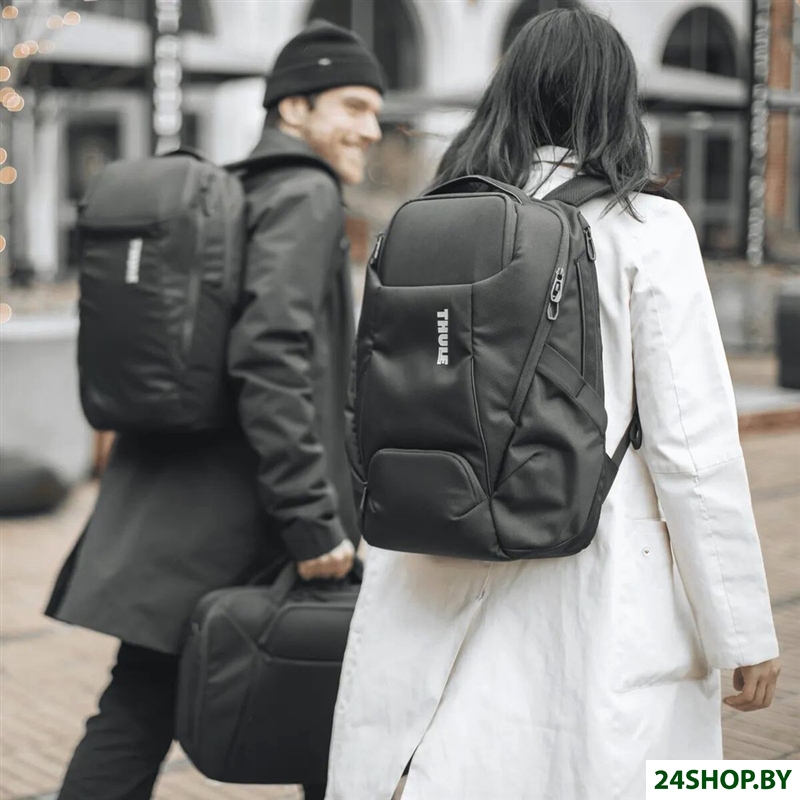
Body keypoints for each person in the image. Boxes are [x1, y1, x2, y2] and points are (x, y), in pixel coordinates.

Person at [326, 9, 780, 800]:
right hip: (586, 570)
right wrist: (740, 628)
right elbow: (692, 446)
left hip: (428, 554)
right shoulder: (645, 227)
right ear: (617, 102)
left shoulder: (432, 218)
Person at [46, 20, 383, 800]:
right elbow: (271, 357)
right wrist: (314, 521)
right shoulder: (304, 193)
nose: (371, 128)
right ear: (293, 107)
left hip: (177, 515)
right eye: (353, 106)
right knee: (328, 712)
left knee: (136, 708)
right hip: (244, 521)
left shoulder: (240, 188)